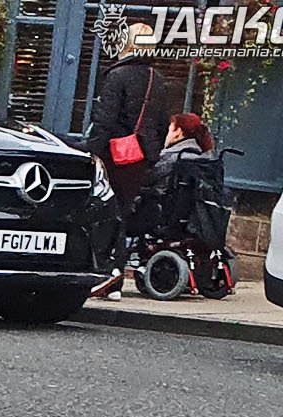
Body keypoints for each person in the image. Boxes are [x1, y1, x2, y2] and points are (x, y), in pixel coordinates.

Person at [84, 21, 171, 298]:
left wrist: (92, 153)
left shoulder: (117, 76)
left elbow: (104, 120)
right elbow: (162, 123)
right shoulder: (156, 78)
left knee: (103, 212)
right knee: (121, 211)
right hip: (140, 158)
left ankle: (104, 273)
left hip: (113, 154)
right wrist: (151, 153)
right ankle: (115, 277)